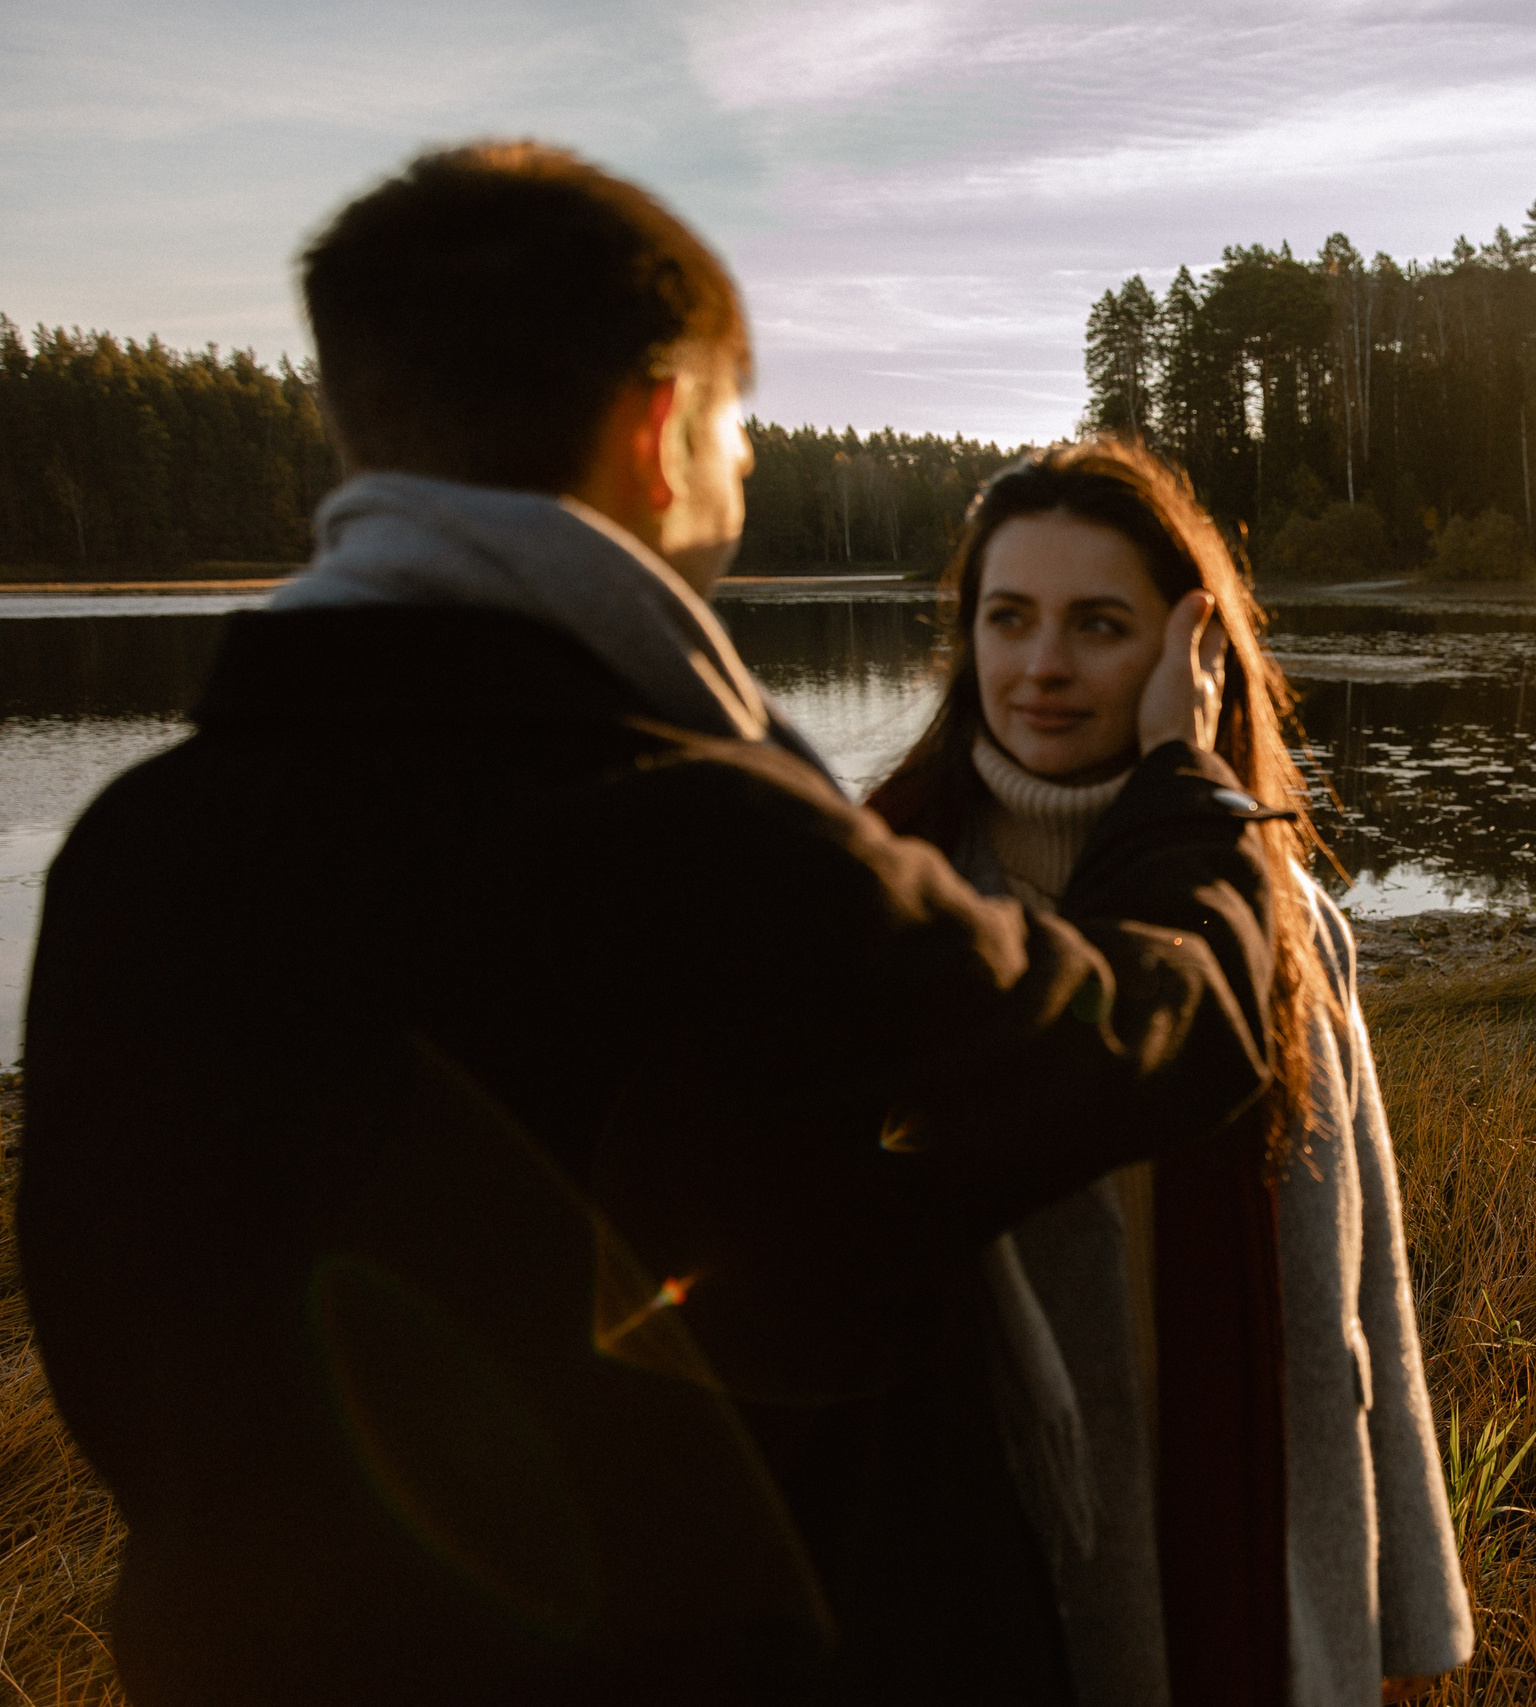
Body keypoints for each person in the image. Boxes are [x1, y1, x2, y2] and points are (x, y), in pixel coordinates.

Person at [19, 144, 1281, 1707]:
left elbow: (107, 1352)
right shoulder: (714, 847)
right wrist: (1191, 798)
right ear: (661, 426)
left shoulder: (131, 852)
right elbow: (1152, 1041)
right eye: (739, 435)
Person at [868, 442, 1473, 1707]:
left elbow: (1365, 1278)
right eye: (1008, 618)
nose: (1041, 667)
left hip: (1254, 1518)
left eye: (1098, 624)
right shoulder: (886, 899)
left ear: (1191, 656)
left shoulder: (1280, 913)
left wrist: (1402, 1598)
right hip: (983, 1576)